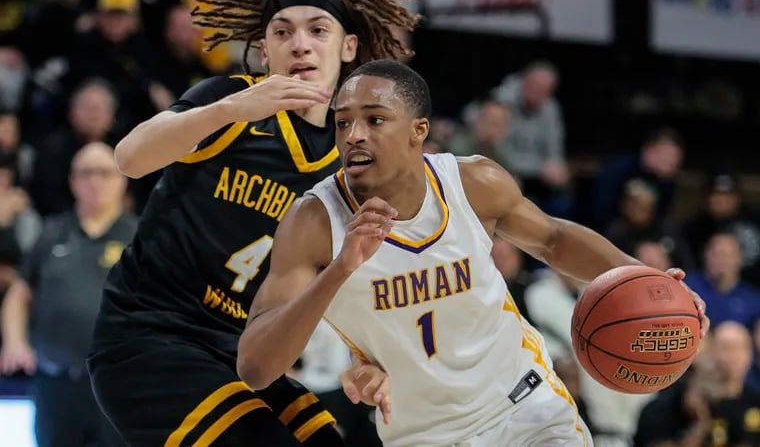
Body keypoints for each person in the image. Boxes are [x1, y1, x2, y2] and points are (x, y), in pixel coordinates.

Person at [237, 60, 709, 447]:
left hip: (525, 407)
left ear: (417, 130)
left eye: (374, 119)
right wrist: (340, 269)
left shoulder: (471, 182)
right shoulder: (315, 221)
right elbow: (256, 368)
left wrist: (652, 283)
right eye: (343, 123)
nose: (354, 134)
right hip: (422, 435)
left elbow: (554, 239)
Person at [87, 0, 420, 447]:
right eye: (282, 32)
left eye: (317, 30)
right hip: (148, 338)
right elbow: (129, 158)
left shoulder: (352, 159)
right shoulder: (229, 103)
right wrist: (230, 107)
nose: (299, 44)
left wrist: (367, 359)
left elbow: (358, 273)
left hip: (240, 352)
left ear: (349, 48)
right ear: (265, 51)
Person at [1, 143, 134, 447]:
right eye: (86, 173)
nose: (95, 181)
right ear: (72, 181)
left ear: (121, 179)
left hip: (117, 386)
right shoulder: (52, 233)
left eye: (104, 173)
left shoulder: (137, 236)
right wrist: (14, 341)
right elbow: (19, 294)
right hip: (56, 383)